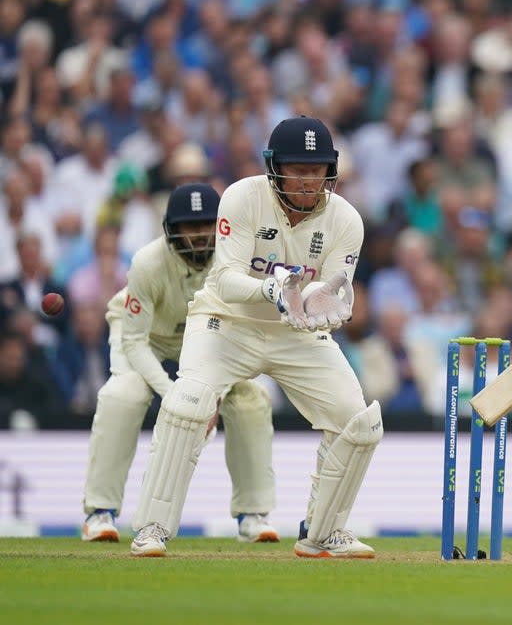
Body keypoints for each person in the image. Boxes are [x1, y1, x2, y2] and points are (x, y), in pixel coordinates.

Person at [130, 116, 381, 559]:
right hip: (227, 323)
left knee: (357, 420)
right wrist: (273, 290)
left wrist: (330, 306)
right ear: (274, 167)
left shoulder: (346, 220)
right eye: (297, 169)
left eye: (317, 169)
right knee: (188, 402)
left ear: (330, 170)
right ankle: (152, 527)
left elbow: (333, 291)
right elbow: (225, 280)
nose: (307, 180)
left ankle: (324, 532)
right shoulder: (242, 198)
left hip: (296, 331)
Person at [82, 183, 279, 544]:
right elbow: (135, 343)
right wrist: (177, 396)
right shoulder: (148, 262)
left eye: (206, 225)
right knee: (123, 396)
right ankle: (100, 512)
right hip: (146, 337)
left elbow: (242, 330)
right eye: (190, 227)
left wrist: (213, 396)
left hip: (212, 341)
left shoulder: (235, 259)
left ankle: (253, 515)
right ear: (172, 229)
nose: (200, 235)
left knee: (251, 400)